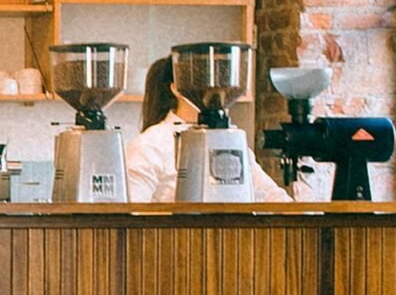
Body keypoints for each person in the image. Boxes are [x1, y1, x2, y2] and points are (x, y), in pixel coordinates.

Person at [124, 57, 292, 203]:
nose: (215, 90)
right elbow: (133, 212)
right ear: (177, 88)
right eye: (203, 80)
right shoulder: (150, 144)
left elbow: (273, 196)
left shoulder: (231, 140)